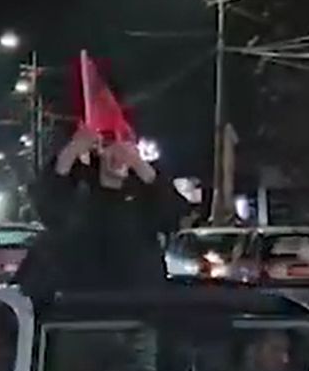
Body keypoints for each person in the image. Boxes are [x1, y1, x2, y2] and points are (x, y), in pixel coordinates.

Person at [14, 126, 188, 298]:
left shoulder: (145, 197)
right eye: (110, 145)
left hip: (137, 303)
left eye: (125, 145)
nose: (118, 153)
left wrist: (141, 166)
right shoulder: (78, 194)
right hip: (81, 301)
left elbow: (174, 214)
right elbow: (47, 203)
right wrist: (71, 151)